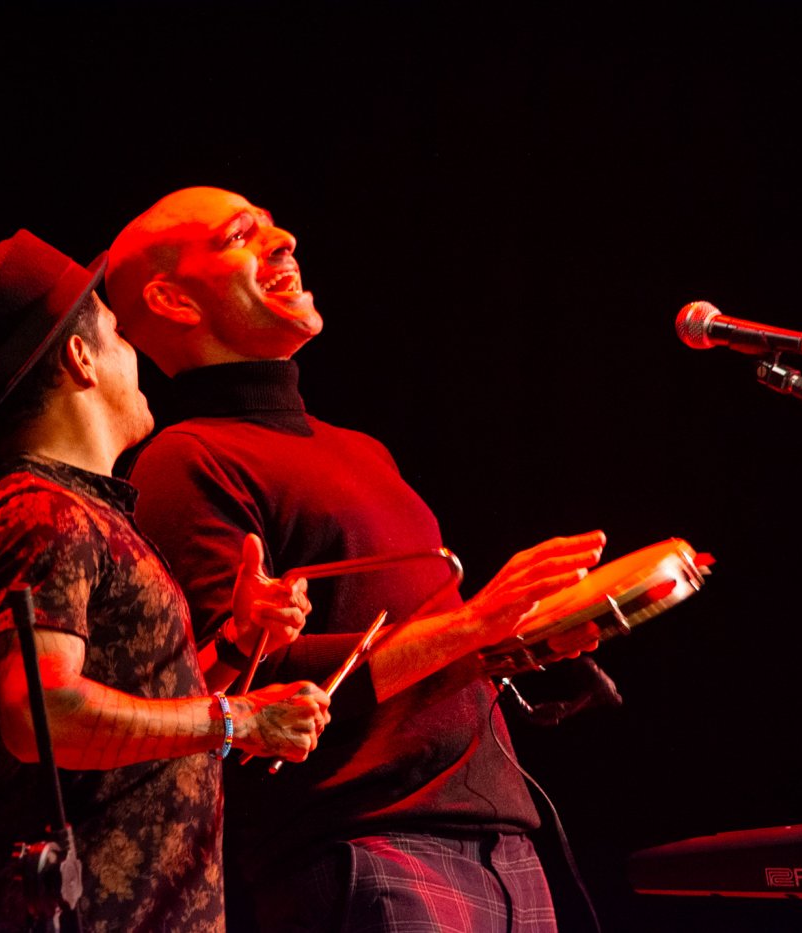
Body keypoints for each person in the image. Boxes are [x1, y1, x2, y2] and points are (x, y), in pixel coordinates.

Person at [106, 187, 607, 932]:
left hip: (497, 841)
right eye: (241, 235)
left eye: (273, 224)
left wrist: (512, 640)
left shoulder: (361, 450)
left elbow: (419, 653)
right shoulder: (186, 461)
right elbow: (233, 695)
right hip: (368, 846)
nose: (284, 239)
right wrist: (472, 625)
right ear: (172, 299)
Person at [0, 229, 332, 933]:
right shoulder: (39, 512)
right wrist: (239, 719)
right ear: (81, 358)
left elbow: (130, 719)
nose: (133, 353)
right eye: (115, 332)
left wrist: (236, 643)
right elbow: (44, 715)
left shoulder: (82, 513)